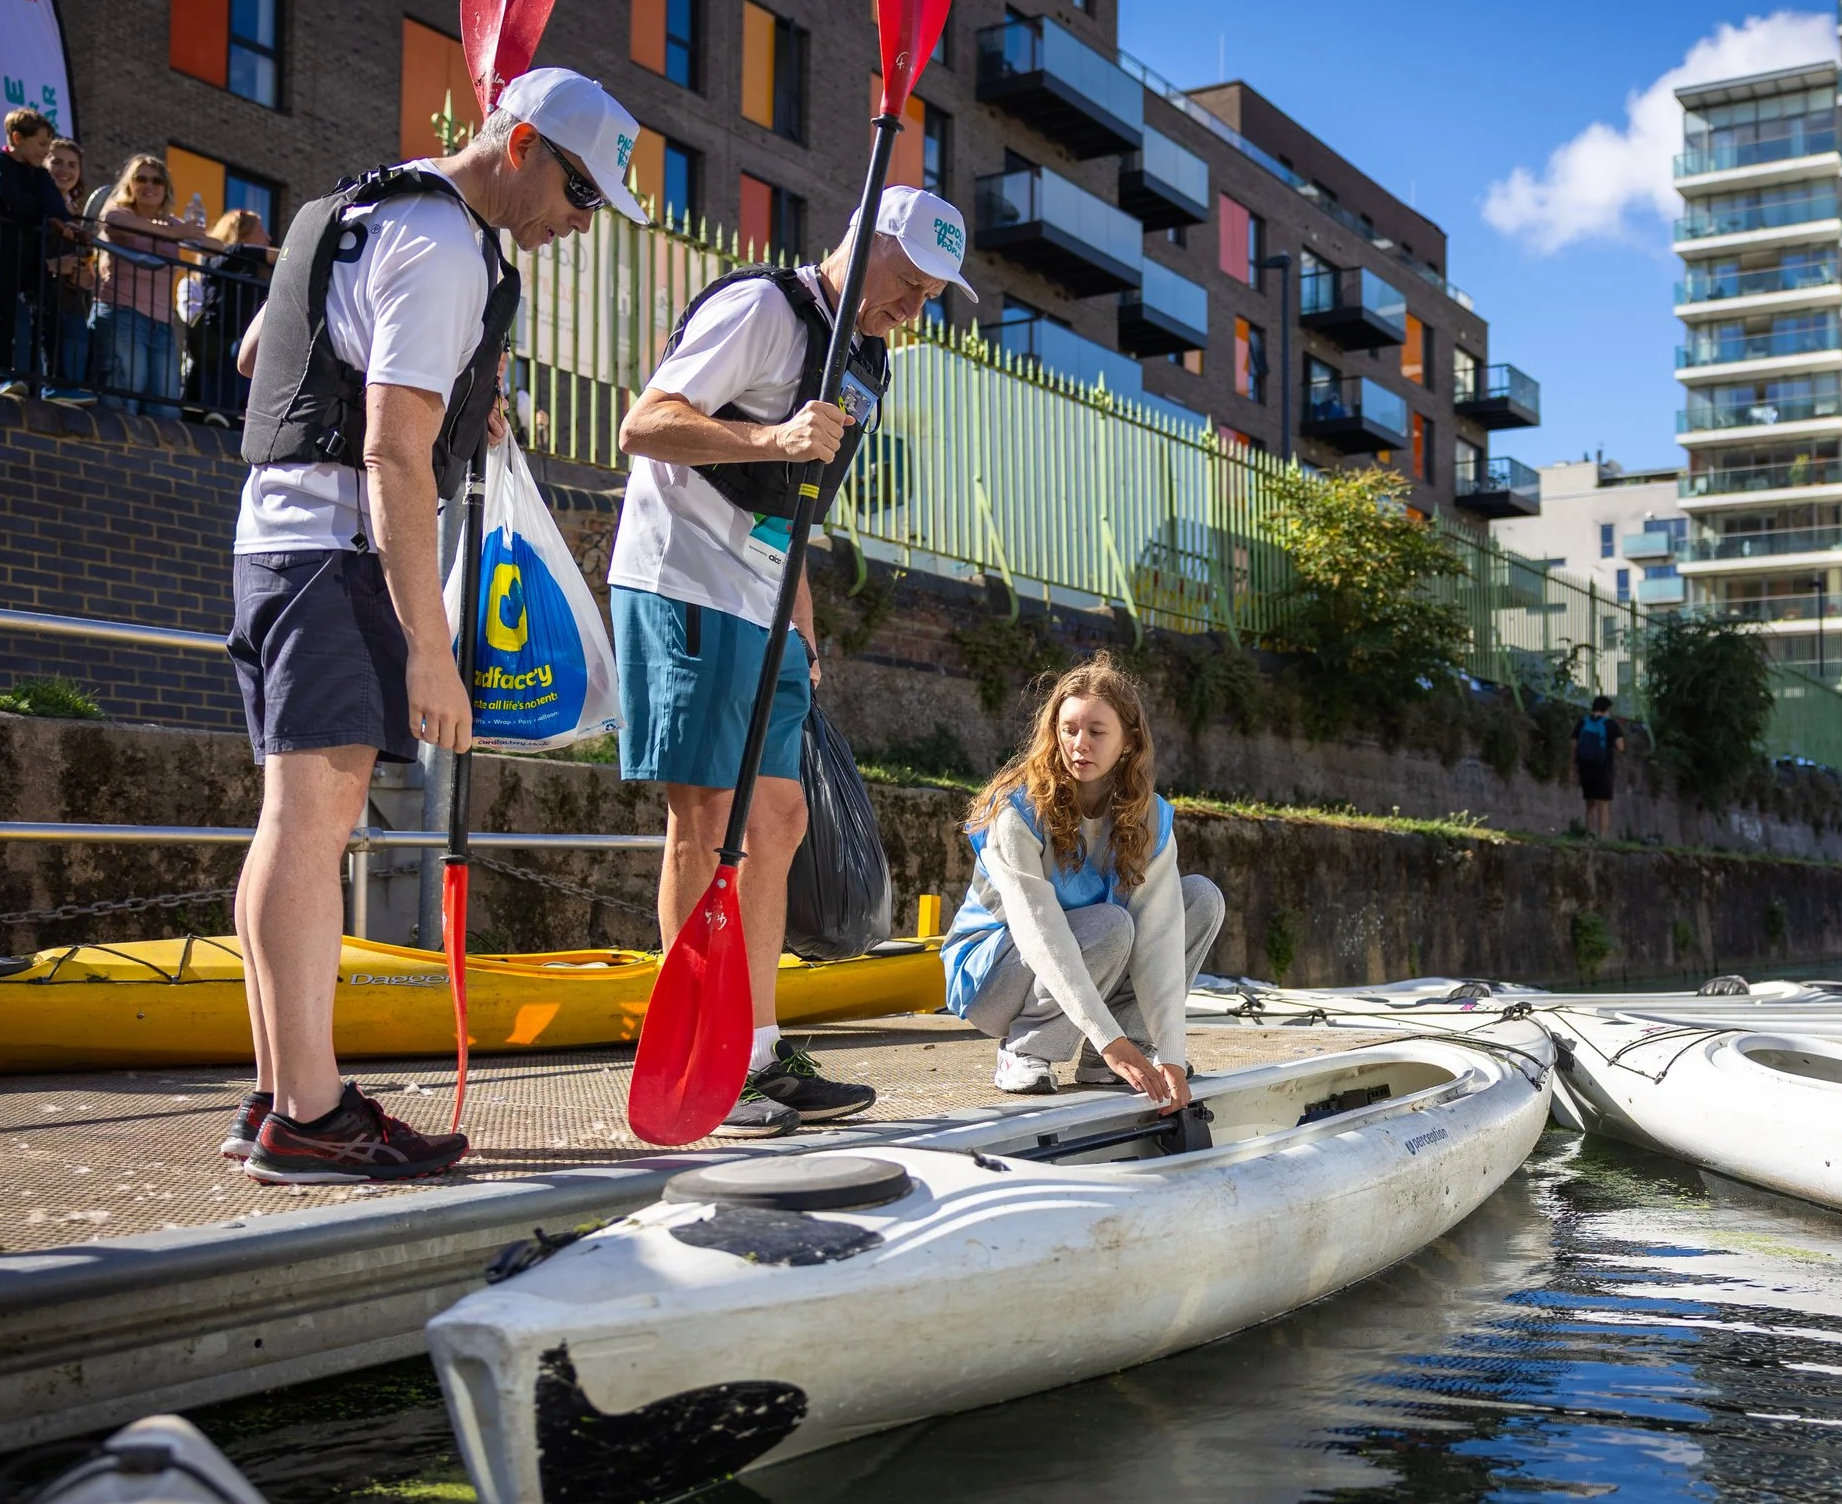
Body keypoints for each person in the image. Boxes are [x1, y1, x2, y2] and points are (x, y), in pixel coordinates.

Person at [221, 67, 648, 1185]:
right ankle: (310, 1116)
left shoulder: (359, 204)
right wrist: (427, 646)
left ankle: (277, 1093)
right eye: (580, 192)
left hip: (274, 540)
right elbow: (392, 453)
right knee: (313, 827)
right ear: (520, 146)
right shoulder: (449, 244)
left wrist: (450, 383)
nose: (579, 222)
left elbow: (263, 354)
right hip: (337, 552)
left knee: (289, 824)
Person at [610, 184, 975, 1138]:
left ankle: (758, 1051)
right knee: (707, 821)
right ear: (865, 239)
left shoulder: (865, 356)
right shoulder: (764, 309)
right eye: (909, 280)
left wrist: (802, 615)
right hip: (685, 579)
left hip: (765, 597)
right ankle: (701, 1058)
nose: (916, 306)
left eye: (934, 295)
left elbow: (792, 502)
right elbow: (645, 423)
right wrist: (772, 434)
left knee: (776, 818)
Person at [942, 653, 1224, 1106]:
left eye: (1096, 731)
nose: (1079, 744)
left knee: (1199, 899)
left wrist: (1171, 1052)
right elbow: (1039, 931)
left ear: (1129, 740)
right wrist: (1105, 1034)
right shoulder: (1017, 809)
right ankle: (1026, 1049)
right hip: (995, 980)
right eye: (1068, 729)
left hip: (1088, 956)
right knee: (1112, 924)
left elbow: (1161, 938)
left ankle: (1114, 1055)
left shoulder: (1148, 816)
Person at [88, 154, 217, 416]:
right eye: (142, 179)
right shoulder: (119, 212)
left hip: (161, 326)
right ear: (130, 184)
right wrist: (174, 234)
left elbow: (213, 245)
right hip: (123, 315)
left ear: (166, 188)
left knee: (166, 409)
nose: (150, 185)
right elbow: (115, 222)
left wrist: (268, 254)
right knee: (123, 401)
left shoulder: (172, 223)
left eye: (158, 181)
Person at [0, 107, 80, 400]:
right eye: (41, 144)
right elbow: (13, 200)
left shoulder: (40, 174)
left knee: (47, 312)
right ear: (17, 138)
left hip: (31, 248)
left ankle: (55, 382)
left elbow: (55, 206)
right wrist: (48, 217)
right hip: (1, 246)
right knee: (3, 310)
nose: (45, 151)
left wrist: (67, 223)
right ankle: (4, 375)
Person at [182, 208, 274, 424]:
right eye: (260, 230)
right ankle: (221, 412)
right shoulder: (220, 259)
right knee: (243, 349)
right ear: (241, 233)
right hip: (215, 340)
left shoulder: (260, 271)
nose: (268, 237)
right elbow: (241, 252)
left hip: (237, 345)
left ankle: (237, 416)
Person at [45, 138, 97, 396]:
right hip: (43, 300)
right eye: (57, 162)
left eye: (72, 165)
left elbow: (87, 264)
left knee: (77, 354)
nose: (64, 170)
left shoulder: (76, 212)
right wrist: (54, 265)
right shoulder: (36, 204)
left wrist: (86, 277)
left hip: (73, 301)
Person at [1574, 694, 1624, 837]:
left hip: (1585, 766)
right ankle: (1602, 838)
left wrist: (1573, 767)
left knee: (1590, 803)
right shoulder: (1610, 724)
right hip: (1603, 767)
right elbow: (1620, 746)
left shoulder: (1583, 722)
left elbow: (1573, 745)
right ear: (1607, 709)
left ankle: (1589, 834)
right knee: (1603, 804)